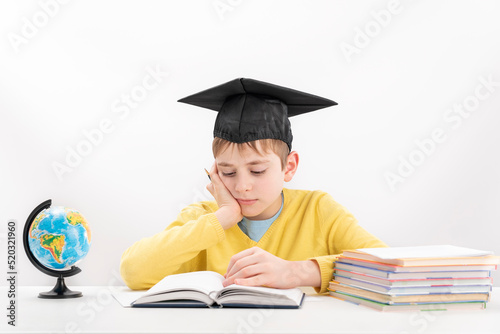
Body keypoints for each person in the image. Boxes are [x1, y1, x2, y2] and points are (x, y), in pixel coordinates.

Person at [120, 78, 387, 294]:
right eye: (228, 172)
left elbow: (389, 267)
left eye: (257, 170)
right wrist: (222, 218)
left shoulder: (318, 210)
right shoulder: (204, 218)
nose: (242, 186)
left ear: (289, 167)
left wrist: (296, 272)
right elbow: (133, 272)